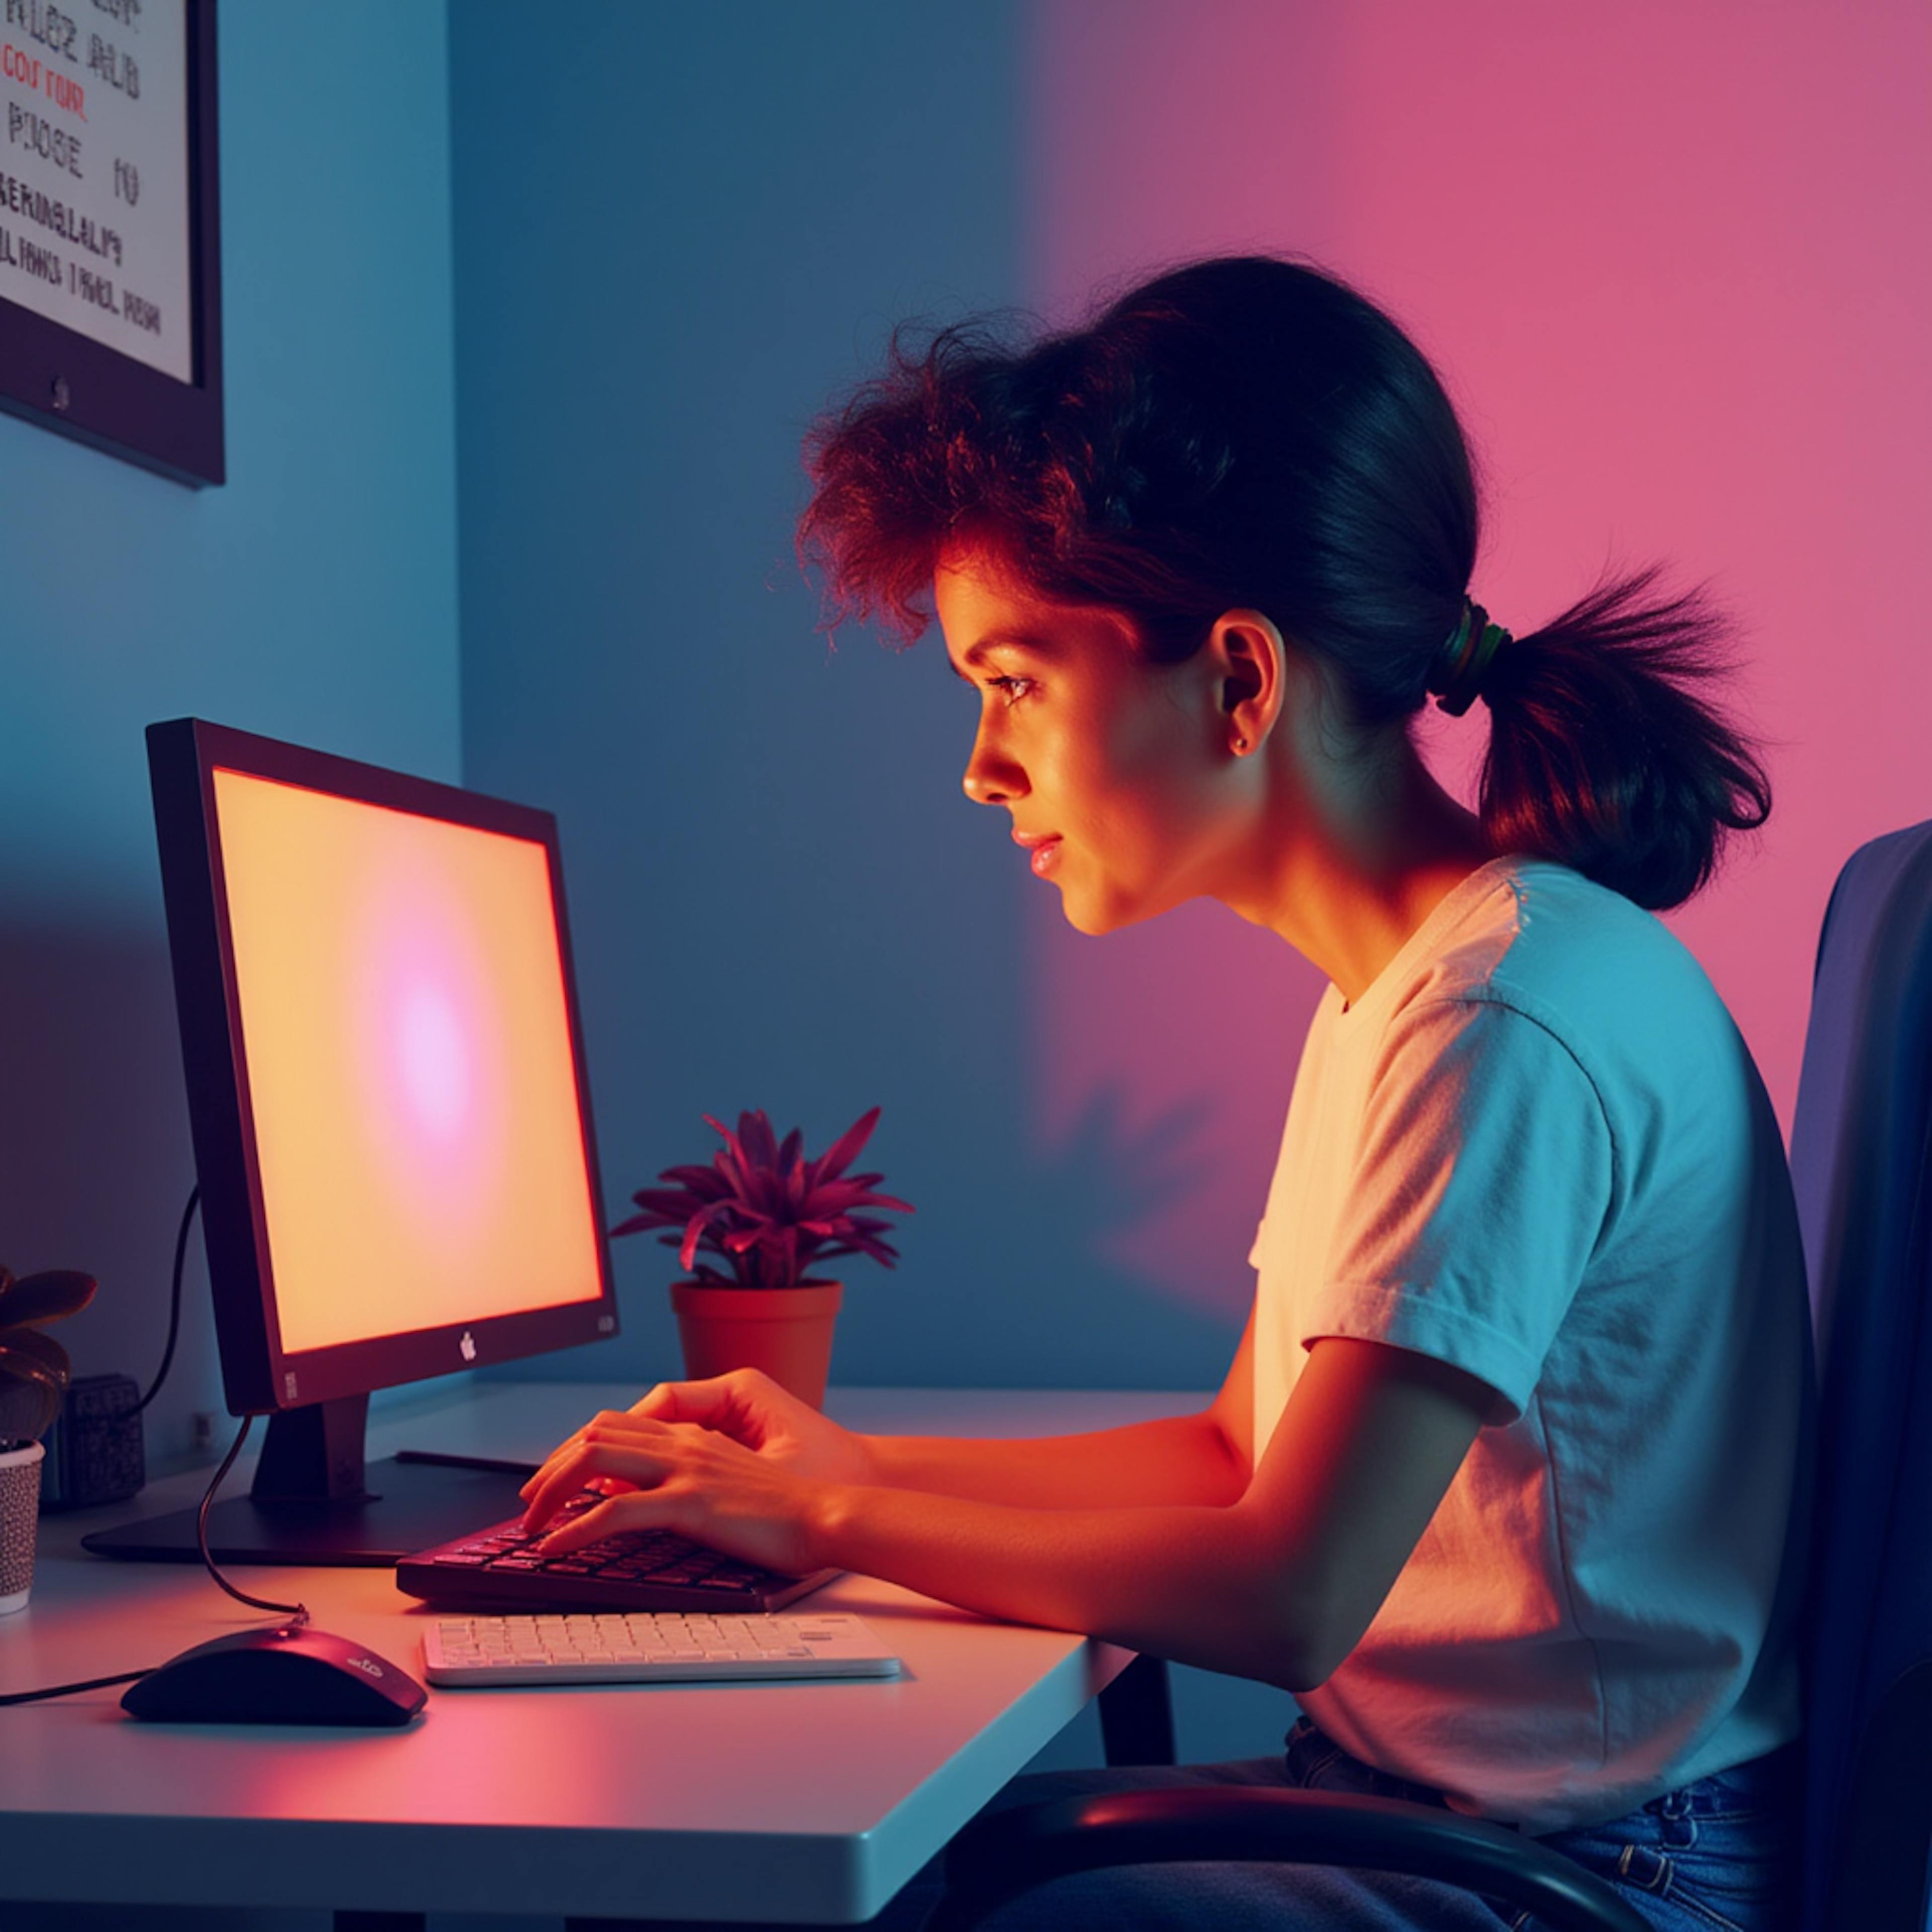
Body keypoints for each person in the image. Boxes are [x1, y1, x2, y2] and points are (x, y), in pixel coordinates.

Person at [519, 256, 1815, 1931]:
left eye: (1015, 682)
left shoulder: (1497, 1011)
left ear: (1240, 681)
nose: (982, 766)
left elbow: (1290, 1591)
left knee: (840, 1889)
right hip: (1464, 1823)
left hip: (1587, 1883)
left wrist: (826, 1513)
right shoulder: (1415, 985)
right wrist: (836, 1461)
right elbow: (1234, 1455)